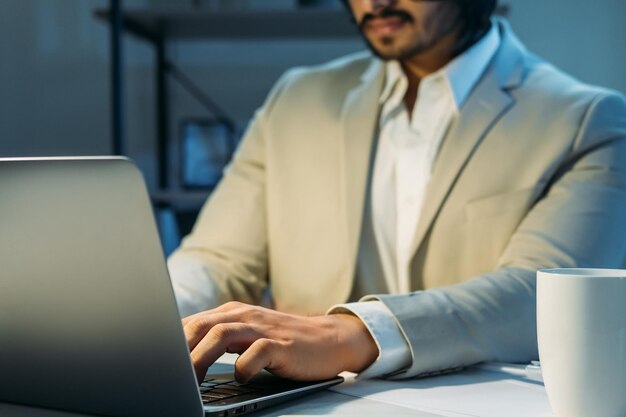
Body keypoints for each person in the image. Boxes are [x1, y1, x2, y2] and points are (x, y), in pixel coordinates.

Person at [170, 0, 626, 383]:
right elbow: (219, 260)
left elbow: (540, 294)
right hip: (298, 404)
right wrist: (140, 320)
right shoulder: (296, 98)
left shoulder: (589, 120)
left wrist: (349, 334)